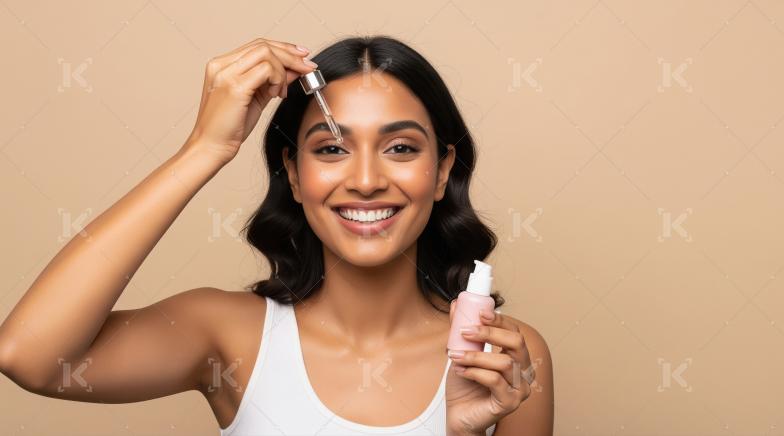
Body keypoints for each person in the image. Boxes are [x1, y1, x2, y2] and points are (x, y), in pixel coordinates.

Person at [0, 35, 554, 435]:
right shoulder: (228, 334)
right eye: (332, 148)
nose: (365, 181)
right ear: (292, 172)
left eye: (401, 147)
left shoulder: (502, 356)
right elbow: (30, 356)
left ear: (441, 171)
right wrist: (204, 149)